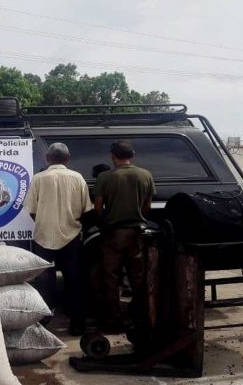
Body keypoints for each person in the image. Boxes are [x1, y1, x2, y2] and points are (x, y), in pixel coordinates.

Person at [24, 142, 92, 335]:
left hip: (44, 236)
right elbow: (86, 209)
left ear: (47, 158)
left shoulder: (38, 179)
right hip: (71, 237)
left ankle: (43, 323)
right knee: (74, 280)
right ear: (68, 158)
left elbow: (32, 211)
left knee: (45, 281)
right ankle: (77, 323)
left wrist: (45, 221)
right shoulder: (78, 178)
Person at [93, 140, 156, 333]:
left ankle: (114, 320)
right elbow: (148, 205)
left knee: (110, 277)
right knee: (138, 277)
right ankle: (141, 318)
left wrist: (104, 220)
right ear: (133, 154)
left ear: (113, 156)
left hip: (113, 234)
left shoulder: (105, 177)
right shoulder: (145, 175)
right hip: (137, 233)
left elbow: (98, 207)